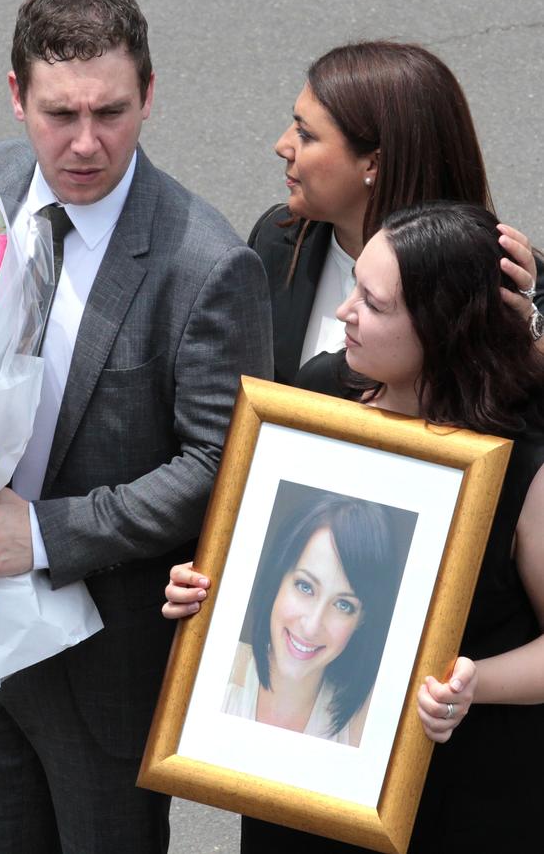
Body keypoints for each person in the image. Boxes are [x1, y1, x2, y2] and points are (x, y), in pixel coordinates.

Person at [0, 0, 273, 852]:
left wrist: (40, 535)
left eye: (112, 112)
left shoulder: (207, 265)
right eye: (59, 113)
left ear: (149, 94)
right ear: (14, 94)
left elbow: (219, 467)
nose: (85, 143)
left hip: (103, 671)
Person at [166, 201, 544, 853]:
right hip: (304, 792)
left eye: (372, 303)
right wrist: (209, 593)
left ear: (440, 326)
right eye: (353, 288)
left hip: (462, 801)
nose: (344, 314)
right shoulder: (319, 393)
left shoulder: (523, 463)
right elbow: (268, 560)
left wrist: (472, 681)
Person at [246, 40, 544, 385]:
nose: (282, 146)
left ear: (373, 163)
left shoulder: (509, 281)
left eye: (305, 134)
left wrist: (529, 334)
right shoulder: (276, 239)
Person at [221, 491, 407, 746]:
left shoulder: (369, 724)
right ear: (278, 580)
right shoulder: (214, 670)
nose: (311, 626)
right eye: (305, 587)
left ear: (362, 620)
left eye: (343, 605)